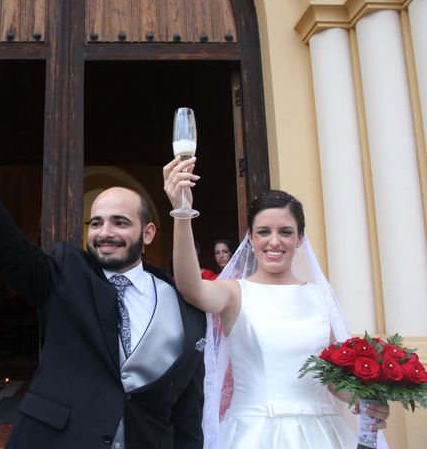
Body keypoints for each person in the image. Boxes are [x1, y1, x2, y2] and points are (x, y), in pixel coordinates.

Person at [0, 91, 206, 448]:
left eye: (120, 222)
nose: (105, 233)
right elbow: (1, 242)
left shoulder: (182, 299)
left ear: (147, 233)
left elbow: (187, 411)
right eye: (96, 223)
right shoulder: (63, 274)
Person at [163, 156, 390, 449]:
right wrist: (182, 212)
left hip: (322, 433)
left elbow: (334, 382)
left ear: (299, 239)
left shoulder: (319, 297)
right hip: (253, 433)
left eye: (285, 232)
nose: (274, 241)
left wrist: (368, 401)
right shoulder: (234, 293)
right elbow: (190, 287)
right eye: (263, 232)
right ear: (250, 239)